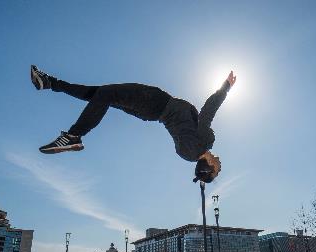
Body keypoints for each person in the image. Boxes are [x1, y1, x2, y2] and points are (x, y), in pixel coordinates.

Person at [30, 65, 237, 183]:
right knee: (100, 95)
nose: (220, 166)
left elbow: (208, 112)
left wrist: (225, 87)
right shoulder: (191, 152)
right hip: (151, 112)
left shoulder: (200, 145)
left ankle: (74, 135)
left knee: (104, 94)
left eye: (218, 170)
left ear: (208, 167)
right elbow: (200, 120)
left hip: (156, 103)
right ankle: (49, 83)